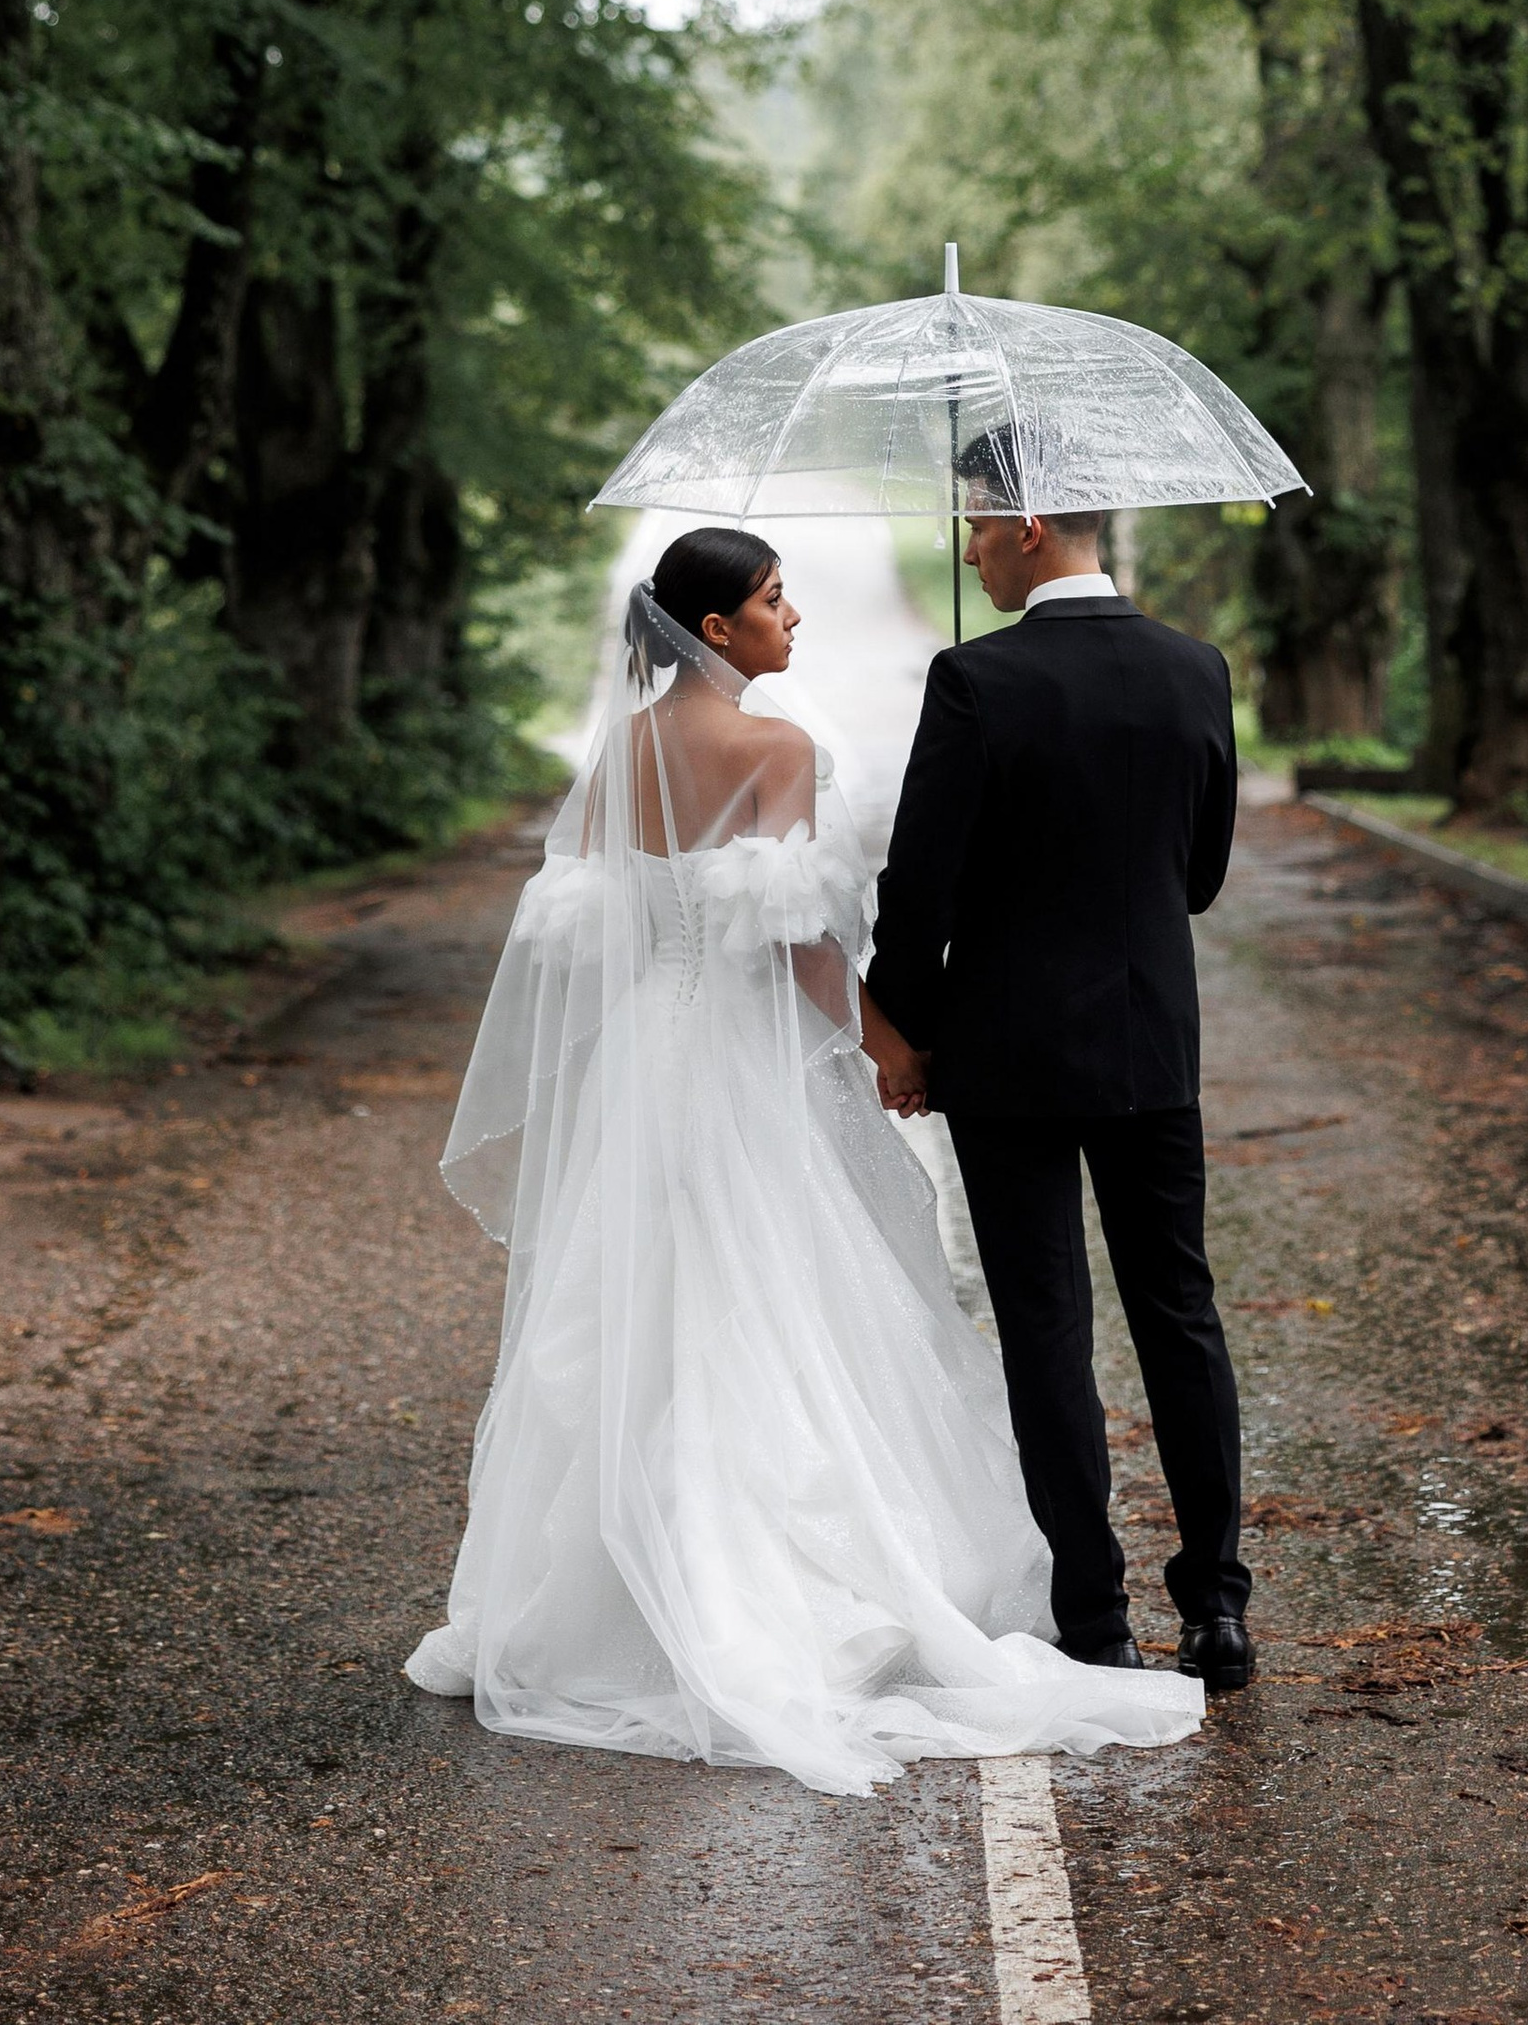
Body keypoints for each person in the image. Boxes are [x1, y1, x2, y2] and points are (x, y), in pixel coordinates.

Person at [405, 523, 1203, 1795]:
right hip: (743, 1065)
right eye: (775, 601)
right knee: (769, 1301)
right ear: (716, 628)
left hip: (647, 1062)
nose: (794, 620)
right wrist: (895, 1046)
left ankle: (606, 1605)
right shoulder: (775, 751)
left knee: (643, 1314)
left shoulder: (619, 750)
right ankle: (769, 1594)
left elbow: (599, 932)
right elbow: (800, 946)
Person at [860, 447, 1254, 1693]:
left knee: (1046, 1328)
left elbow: (919, 887)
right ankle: (1218, 1611)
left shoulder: (977, 679)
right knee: (1178, 1313)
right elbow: (1198, 877)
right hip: (1151, 1042)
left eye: (976, 524)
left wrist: (901, 1026)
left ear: (1029, 525)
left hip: (1007, 1054)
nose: (968, 546)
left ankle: (1095, 1620)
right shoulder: (1197, 669)